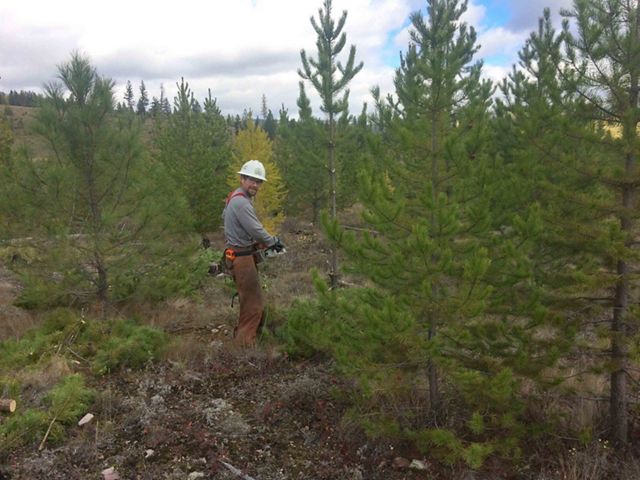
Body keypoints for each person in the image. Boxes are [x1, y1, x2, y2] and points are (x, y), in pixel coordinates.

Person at [223, 159, 285, 346]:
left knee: (248, 301)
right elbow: (255, 229)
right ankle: (243, 347)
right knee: (253, 305)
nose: (256, 185)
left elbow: (233, 223)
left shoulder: (234, 197)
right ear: (242, 179)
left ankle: (245, 339)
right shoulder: (241, 203)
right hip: (242, 259)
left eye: (259, 182)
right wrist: (273, 242)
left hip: (238, 255)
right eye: (252, 180)